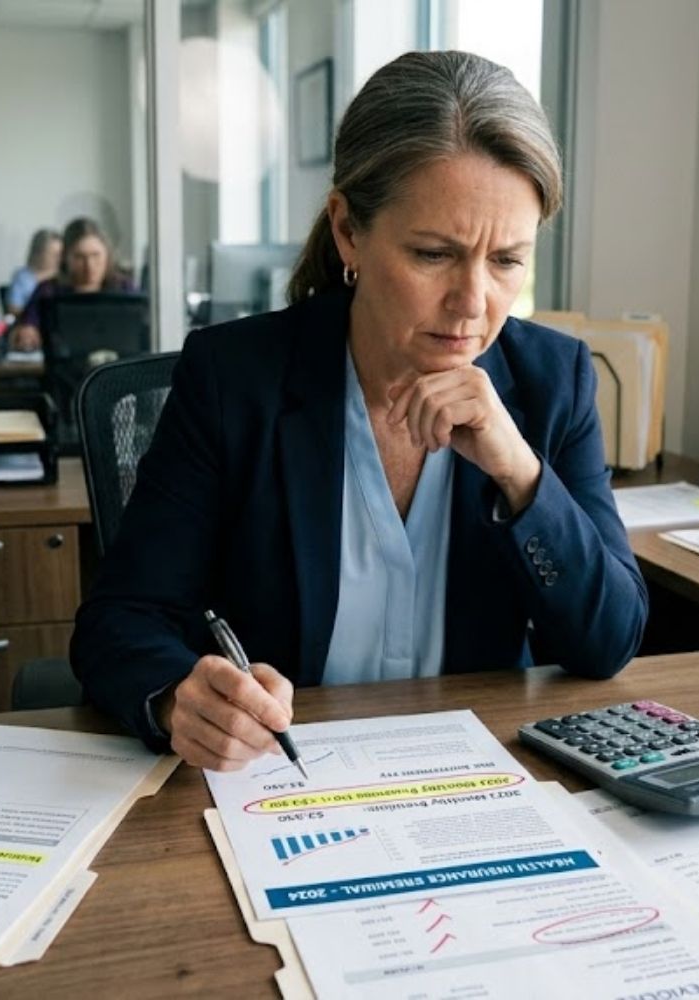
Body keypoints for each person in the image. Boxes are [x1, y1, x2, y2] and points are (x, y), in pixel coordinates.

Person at [71, 51, 649, 771]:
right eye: (433, 254)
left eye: (507, 261)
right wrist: (177, 698)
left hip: (470, 779)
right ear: (348, 230)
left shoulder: (552, 381)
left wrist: (520, 473)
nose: (473, 304)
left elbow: (608, 642)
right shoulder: (234, 378)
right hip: (279, 780)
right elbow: (119, 619)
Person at [10, 218, 129, 351]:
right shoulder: (48, 291)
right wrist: (25, 334)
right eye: (79, 257)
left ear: (107, 255)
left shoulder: (124, 288)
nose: (89, 266)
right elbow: (26, 326)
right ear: (65, 258)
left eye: (96, 255)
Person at [5, 228, 62, 317]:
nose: (58, 258)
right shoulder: (23, 277)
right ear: (38, 253)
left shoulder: (66, 276)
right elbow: (13, 309)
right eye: (53, 254)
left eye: (60, 254)